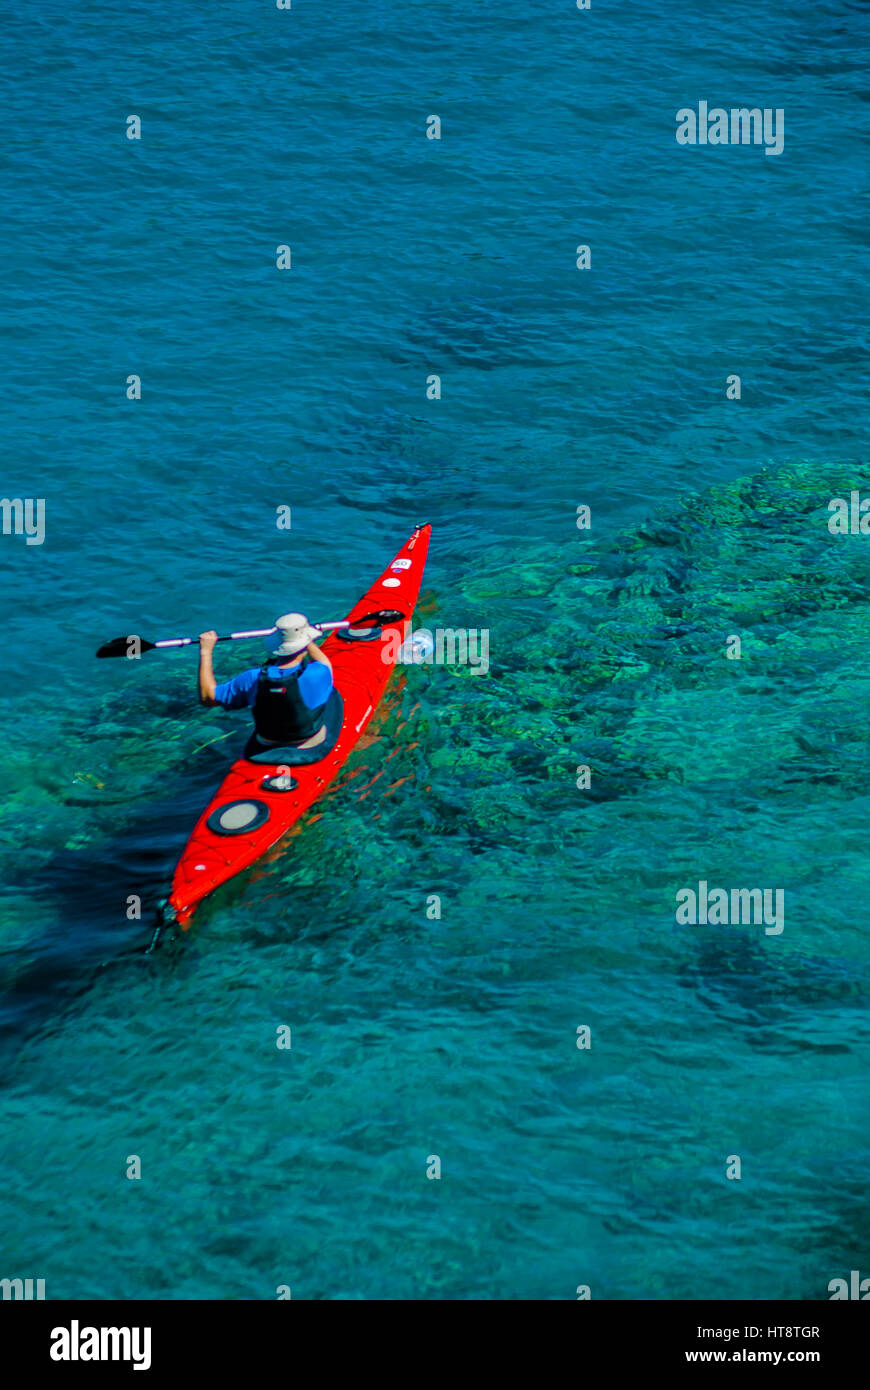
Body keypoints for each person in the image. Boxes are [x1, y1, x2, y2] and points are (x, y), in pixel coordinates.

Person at [198, 612, 334, 754]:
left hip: (266, 742)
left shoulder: (251, 678)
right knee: (334, 698)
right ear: (305, 643)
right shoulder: (319, 672)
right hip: (309, 741)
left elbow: (208, 698)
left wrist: (206, 651)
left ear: (276, 645)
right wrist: (306, 640)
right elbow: (324, 661)